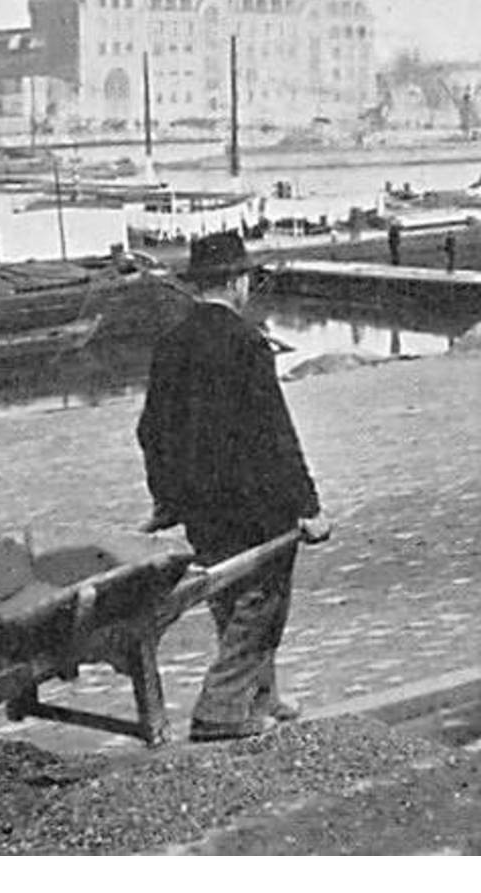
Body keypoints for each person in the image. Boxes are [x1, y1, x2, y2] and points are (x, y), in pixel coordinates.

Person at [136, 232, 325, 741]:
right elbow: (273, 432)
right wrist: (307, 505)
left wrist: (168, 497)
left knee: (228, 597)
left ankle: (263, 697)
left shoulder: (171, 343)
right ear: (239, 282)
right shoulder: (246, 342)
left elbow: (151, 429)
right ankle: (221, 711)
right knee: (262, 604)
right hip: (255, 502)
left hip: (201, 504)